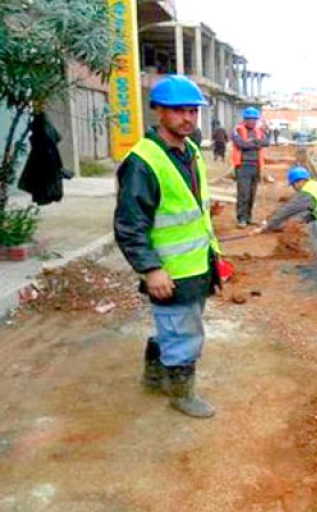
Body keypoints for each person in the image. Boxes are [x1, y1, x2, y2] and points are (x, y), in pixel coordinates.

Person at [113, 74, 222, 419]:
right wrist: (151, 268)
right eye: (178, 111)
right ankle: (180, 392)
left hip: (196, 264)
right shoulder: (143, 162)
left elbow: (187, 210)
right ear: (158, 111)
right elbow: (130, 225)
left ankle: (154, 376)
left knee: (176, 325)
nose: (187, 118)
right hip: (169, 270)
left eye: (192, 111)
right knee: (183, 331)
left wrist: (213, 256)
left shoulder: (189, 151)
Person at [232, 107, 270, 228]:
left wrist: (251, 141)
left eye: (254, 119)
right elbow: (241, 144)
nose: (252, 122)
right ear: (245, 119)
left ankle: (248, 217)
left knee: (252, 193)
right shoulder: (237, 130)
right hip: (243, 166)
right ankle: (241, 218)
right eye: (250, 119)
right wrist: (256, 142)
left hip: (256, 165)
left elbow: (266, 142)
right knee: (244, 193)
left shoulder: (258, 131)